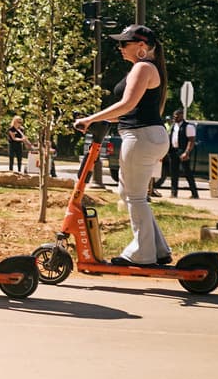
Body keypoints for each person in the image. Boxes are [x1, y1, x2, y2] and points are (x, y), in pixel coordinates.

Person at [74, 25, 172, 266]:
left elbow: (127, 105)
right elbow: (131, 110)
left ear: (141, 46)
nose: (119, 48)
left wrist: (90, 119)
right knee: (131, 194)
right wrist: (98, 118)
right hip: (148, 135)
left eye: (123, 43)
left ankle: (143, 253)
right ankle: (158, 249)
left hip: (141, 137)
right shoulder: (146, 68)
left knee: (135, 197)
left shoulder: (142, 67)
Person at [166, 108, 199, 198]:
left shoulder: (188, 127)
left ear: (182, 116)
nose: (175, 118)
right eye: (174, 116)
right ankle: (174, 193)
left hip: (183, 151)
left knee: (187, 172)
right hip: (173, 151)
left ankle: (194, 193)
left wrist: (186, 152)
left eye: (177, 116)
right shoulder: (173, 126)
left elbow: (191, 140)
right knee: (173, 173)